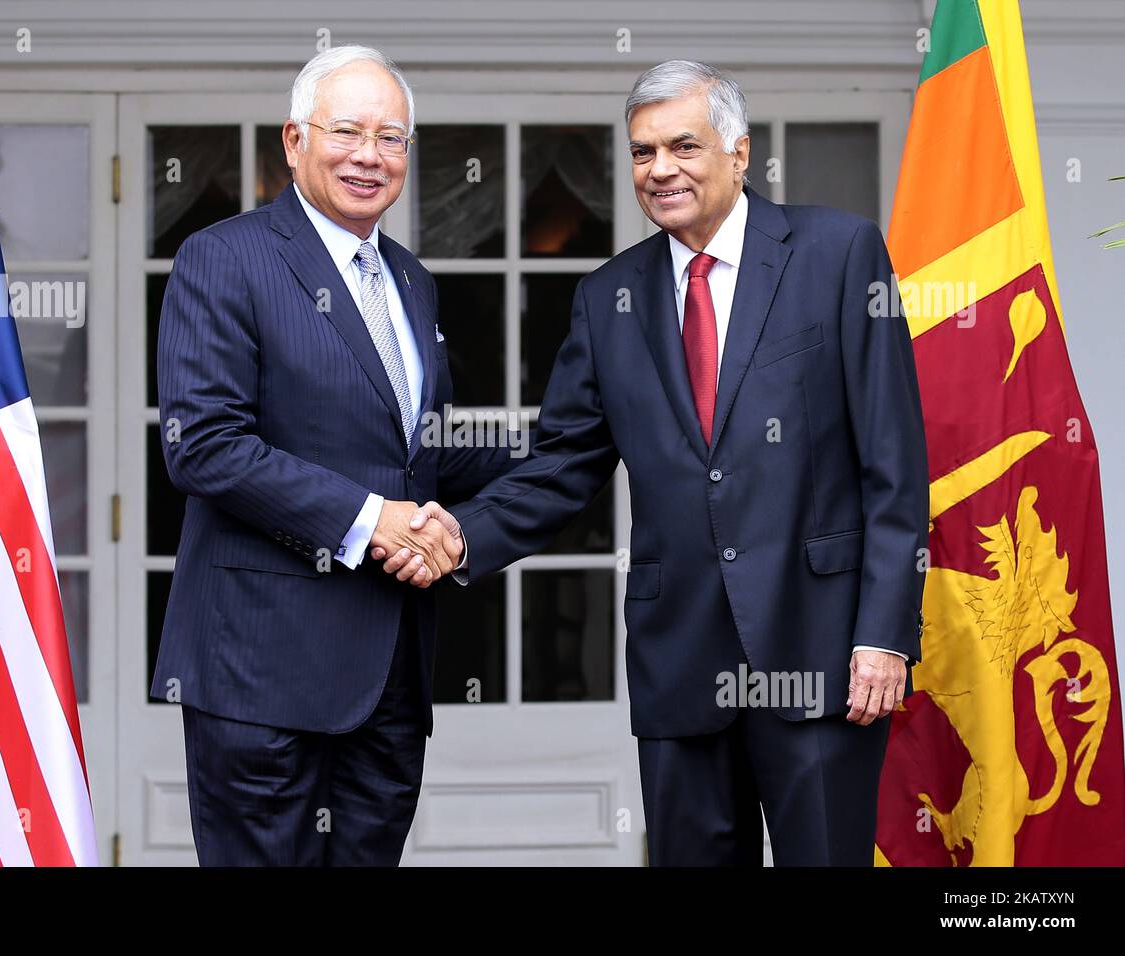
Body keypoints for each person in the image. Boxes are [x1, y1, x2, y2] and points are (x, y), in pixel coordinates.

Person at [375, 60, 929, 866]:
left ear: (739, 154)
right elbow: (563, 462)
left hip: (823, 654)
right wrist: (461, 537)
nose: (660, 169)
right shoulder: (609, 299)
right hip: (682, 663)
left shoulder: (837, 254)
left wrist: (883, 635)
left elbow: (894, 460)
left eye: (683, 146)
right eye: (641, 153)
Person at [151, 45, 511, 866]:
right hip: (261, 672)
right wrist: (370, 521)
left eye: (391, 139)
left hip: (390, 673)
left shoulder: (412, 282)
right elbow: (204, 446)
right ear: (293, 140)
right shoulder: (226, 258)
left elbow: (423, 455)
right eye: (346, 131)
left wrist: (570, 433)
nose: (368, 155)